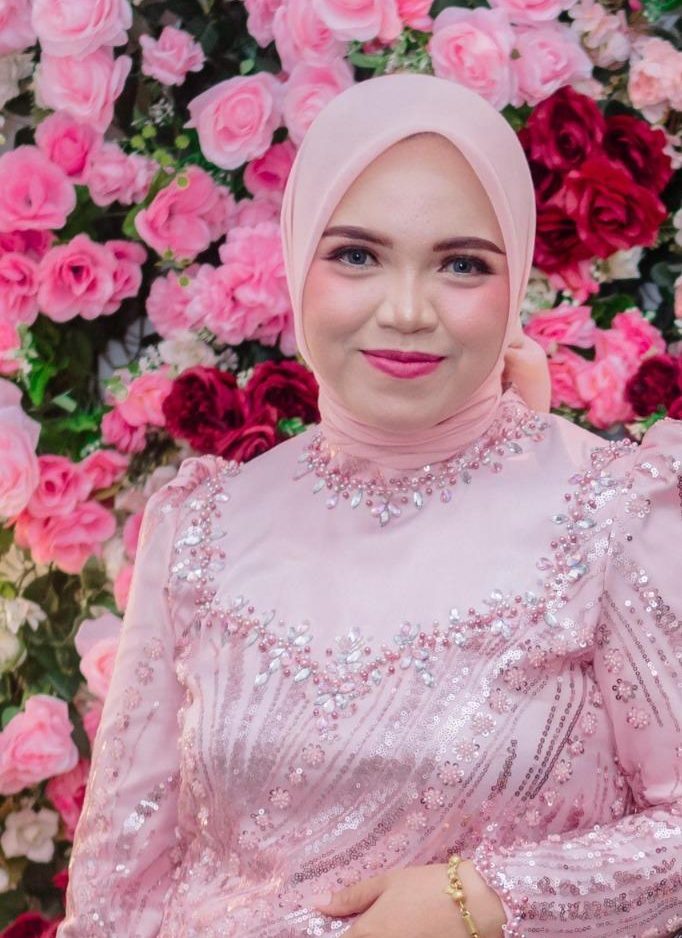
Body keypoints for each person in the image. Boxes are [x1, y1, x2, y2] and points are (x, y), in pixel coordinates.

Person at [57, 73, 682, 938]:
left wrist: (485, 899)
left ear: (516, 285)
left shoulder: (613, 513)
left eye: (462, 264)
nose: (407, 310)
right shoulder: (202, 525)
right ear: (297, 264)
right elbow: (116, 897)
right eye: (357, 255)